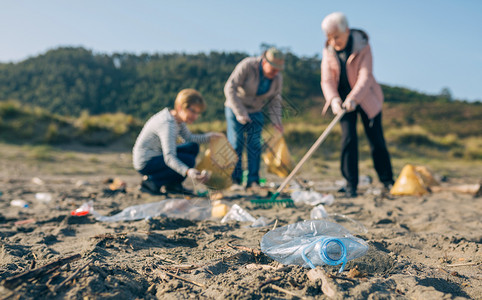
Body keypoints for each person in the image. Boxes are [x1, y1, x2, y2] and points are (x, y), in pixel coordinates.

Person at [320, 12, 394, 197]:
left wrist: (353, 99)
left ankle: (387, 180)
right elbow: (327, 80)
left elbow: (365, 76)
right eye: (329, 37)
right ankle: (350, 184)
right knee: (348, 139)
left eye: (336, 36)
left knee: (376, 140)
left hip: (366, 97)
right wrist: (335, 100)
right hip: (342, 99)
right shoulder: (328, 50)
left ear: (346, 30)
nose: (333, 41)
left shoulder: (363, 45)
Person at [133, 88, 223, 195]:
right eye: (193, 111)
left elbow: (189, 138)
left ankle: (172, 185)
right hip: (146, 162)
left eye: (198, 113)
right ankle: (152, 182)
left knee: (192, 147)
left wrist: (210, 137)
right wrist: (188, 171)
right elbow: (169, 157)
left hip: (157, 155)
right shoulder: (168, 124)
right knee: (188, 160)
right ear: (180, 107)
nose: (195, 116)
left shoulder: (178, 120)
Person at [224, 47, 285, 190]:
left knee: (254, 145)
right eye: (273, 68)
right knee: (237, 143)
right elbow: (230, 88)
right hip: (235, 107)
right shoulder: (247, 65)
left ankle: (253, 181)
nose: (275, 72)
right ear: (264, 61)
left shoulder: (277, 78)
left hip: (256, 111)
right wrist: (240, 112)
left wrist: (277, 122)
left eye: (278, 70)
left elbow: (275, 100)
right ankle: (235, 180)